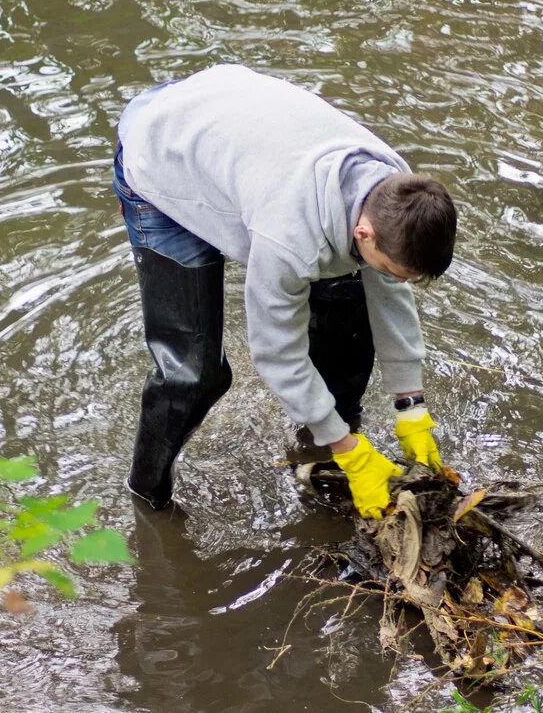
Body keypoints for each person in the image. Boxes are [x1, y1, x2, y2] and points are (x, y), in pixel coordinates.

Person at [111, 64, 457, 518]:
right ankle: (147, 497)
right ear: (365, 232)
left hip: (229, 127)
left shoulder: (395, 187)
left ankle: (322, 449)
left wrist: (410, 405)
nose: (399, 282)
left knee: (350, 310)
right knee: (194, 373)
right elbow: (276, 351)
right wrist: (352, 450)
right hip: (161, 153)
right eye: (395, 269)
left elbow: (388, 292)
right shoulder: (290, 236)